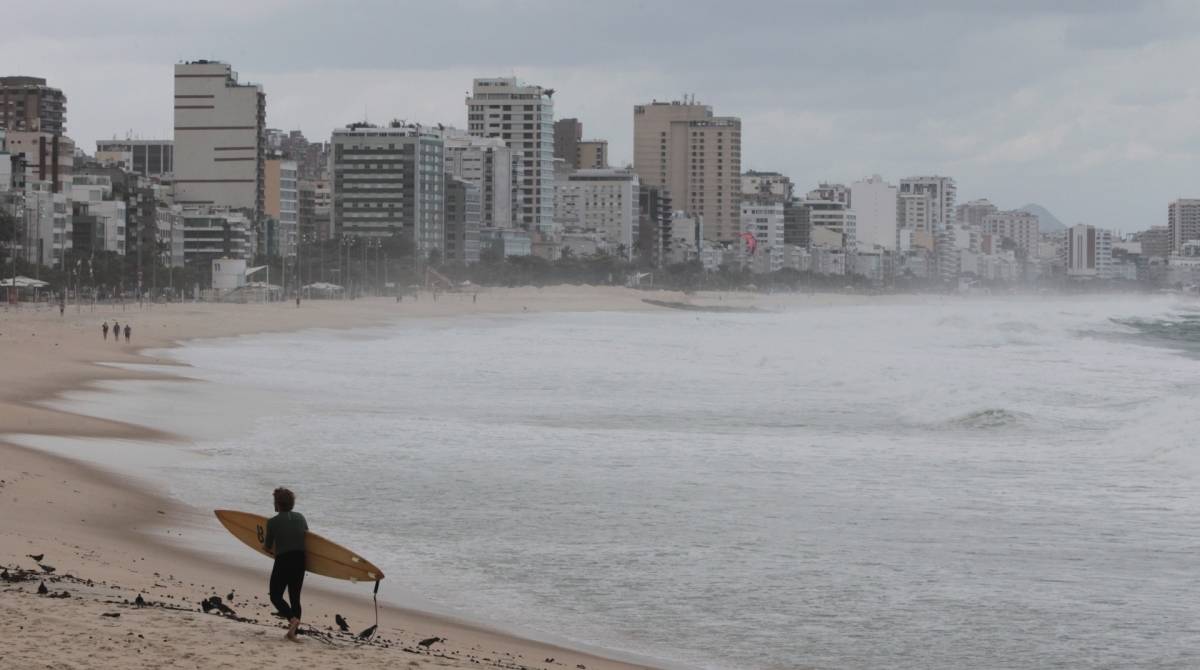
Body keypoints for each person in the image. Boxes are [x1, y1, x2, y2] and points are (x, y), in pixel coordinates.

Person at [262, 487, 308, 641]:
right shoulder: (301, 518)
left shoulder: (272, 522)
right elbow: (307, 537)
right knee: (295, 597)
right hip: (301, 560)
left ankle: (292, 619)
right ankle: (293, 634)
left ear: (277, 504)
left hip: (284, 560)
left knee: (275, 595)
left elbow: (267, 546)